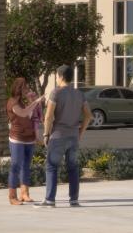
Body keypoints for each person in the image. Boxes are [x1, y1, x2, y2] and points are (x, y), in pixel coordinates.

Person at [37, 65, 89, 208]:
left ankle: (50, 200)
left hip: (58, 135)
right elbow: (88, 115)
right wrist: (80, 132)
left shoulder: (56, 93)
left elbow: (48, 117)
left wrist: (46, 134)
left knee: (52, 166)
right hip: (73, 137)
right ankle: (74, 200)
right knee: (73, 167)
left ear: (60, 76)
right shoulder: (79, 94)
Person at [5, 77, 42, 206]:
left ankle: (24, 193)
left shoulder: (27, 100)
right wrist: (36, 102)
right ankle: (12, 196)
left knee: (26, 166)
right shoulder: (13, 102)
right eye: (24, 87)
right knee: (15, 165)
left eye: (27, 87)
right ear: (18, 89)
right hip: (17, 139)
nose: (26, 89)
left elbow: (35, 116)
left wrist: (37, 135)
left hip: (29, 138)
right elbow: (23, 113)